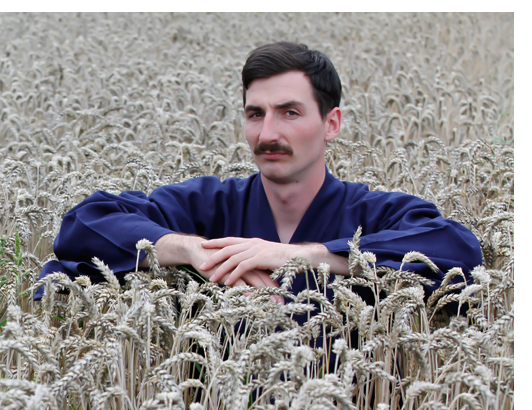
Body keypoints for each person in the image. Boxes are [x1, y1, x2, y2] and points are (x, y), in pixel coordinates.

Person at [34, 42, 483, 308]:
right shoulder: (209, 208)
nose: (267, 133)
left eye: (290, 112)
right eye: (255, 114)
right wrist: (191, 249)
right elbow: (85, 223)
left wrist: (301, 257)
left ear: (332, 124)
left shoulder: (375, 212)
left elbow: (458, 250)